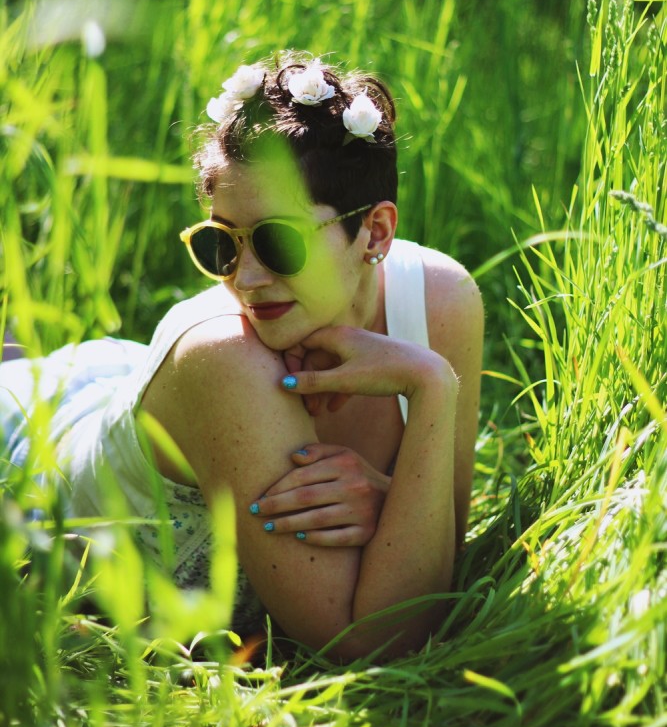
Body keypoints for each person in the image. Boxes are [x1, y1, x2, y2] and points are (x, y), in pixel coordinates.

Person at [0, 55, 483, 660]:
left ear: (376, 232)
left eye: (280, 240)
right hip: (30, 451)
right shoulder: (227, 358)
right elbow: (370, 641)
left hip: (116, 382)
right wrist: (431, 386)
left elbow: (444, 556)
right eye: (221, 243)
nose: (247, 280)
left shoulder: (440, 300)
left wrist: (406, 440)